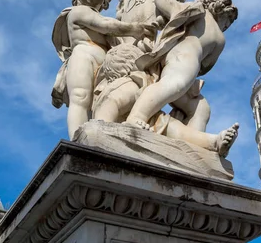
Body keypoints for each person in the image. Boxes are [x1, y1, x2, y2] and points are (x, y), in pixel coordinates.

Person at [51, 0, 156, 139]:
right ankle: (78, 141)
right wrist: (135, 28)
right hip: (83, 56)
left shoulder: (107, 24)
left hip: (105, 67)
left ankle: (99, 136)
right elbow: (106, 24)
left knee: (100, 104)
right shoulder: (78, 11)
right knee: (80, 97)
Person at [92, 43, 238, 157]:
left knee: (175, 128)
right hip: (126, 126)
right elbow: (109, 105)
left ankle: (213, 142)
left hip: (147, 123)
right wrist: (106, 130)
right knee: (174, 128)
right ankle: (213, 142)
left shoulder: (140, 85)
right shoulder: (127, 85)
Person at [125, 0, 238, 130]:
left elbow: (205, 66)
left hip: (188, 66)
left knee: (200, 108)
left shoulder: (218, 37)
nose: (227, 25)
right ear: (216, 7)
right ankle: (136, 116)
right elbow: (165, 3)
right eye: (228, 19)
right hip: (184, 57)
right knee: (174, 84)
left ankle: (193, 142)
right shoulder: (199, 12)